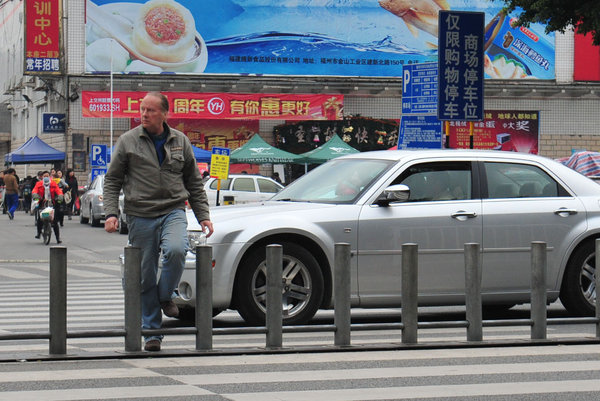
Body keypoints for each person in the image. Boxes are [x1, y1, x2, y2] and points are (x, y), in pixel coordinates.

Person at [103, 92, 214, 352]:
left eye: (151, 110)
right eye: (142, 109)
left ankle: (165, 296)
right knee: (144, 275)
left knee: (177, 250)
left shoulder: (180, 141)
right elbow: (112, 180)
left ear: (164, 114)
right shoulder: (128, 141)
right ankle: (152, 333)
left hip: (173, 209)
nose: (144, 114)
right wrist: (110, 213)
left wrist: (204, 215)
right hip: (140, 213)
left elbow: (194, 183)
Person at [32, 171, 64, 243]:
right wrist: (35, 195)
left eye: (47, 176)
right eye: (44, 176)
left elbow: (58, 191)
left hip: (52, 202)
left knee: (55, 221)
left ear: (50, 177)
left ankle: (58, 238)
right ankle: (39, 233)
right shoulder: (39, 184)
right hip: (42, 202)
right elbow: (34, 190)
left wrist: (60, 196)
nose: (46, 177)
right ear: (42, 177)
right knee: (40, 219)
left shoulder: (53, 183)